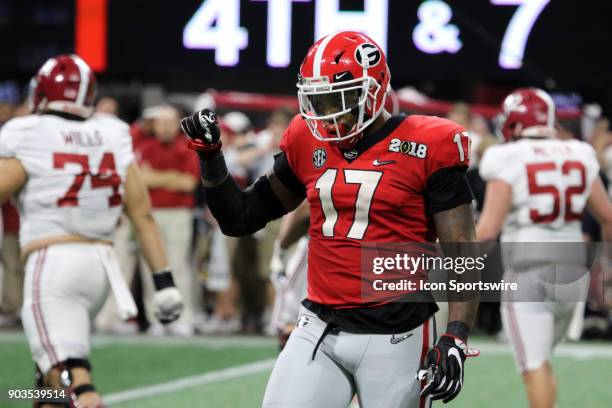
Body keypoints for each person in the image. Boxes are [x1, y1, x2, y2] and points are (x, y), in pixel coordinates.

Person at [182, 31, 479, 407]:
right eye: (318, 100)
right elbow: (240, 218)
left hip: (397, 331)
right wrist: (210, 157)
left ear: (373, 89)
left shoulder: (429, 143)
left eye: (339, 98)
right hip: (320, 324)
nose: (328, 113)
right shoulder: (306, 140)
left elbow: (463, 252)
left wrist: (455, 337)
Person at [0, 54, 184, 407]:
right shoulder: (110, 132)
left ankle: (84, 394)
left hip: (53, 264)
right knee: (46, 384)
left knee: (73, 378)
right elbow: (141, 214)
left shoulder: (29, 133)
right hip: (99, 267)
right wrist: (164, 283)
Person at [476, 88, 612, 408]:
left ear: (512, 123)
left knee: (533, 366)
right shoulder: (578, 151)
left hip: (528, 268)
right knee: (542, 361)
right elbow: (607, 216)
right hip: (573, 272)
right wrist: (607, 266)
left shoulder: (505, 156)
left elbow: (487, 230)